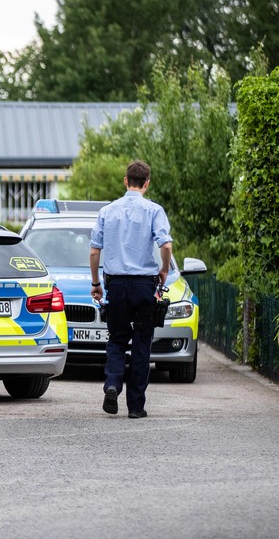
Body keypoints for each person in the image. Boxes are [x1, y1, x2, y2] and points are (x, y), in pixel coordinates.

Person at [89, 160, 172, 419]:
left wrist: (96, 284)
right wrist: (165, 270)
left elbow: (94, 250)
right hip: (144, 285)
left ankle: (112, 384)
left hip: (116, 284)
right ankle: (136, 407)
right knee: (141, 343)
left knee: (116, 339)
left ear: (126, 181)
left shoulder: (107, 211)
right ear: (146, 183)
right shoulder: (154, 210)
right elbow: (166, 246)